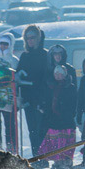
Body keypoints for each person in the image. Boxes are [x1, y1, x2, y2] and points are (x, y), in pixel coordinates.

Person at [16, 25, 51, 155]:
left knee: (42, 129)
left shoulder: (45, 55)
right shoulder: (25, 56)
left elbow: (47, 78)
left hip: (42, 99)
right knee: (32, 130)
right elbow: (18, 74)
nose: (30, 40)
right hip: (27, 99)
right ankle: (36, 156)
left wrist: (42, 99)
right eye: (27, 38)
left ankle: (44, 156)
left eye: (33, 37)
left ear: (38, 38)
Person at [40, 64, 77, 169]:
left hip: (66, 119)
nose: (58, 76)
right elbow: (47, 100)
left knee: (65, 141)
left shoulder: (70, 86)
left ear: (64, 74)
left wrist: (68, 112)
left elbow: (73, 102)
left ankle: (66, 161)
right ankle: (57, 161)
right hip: (54, 118)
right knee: (54, 141)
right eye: (56, 74)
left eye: (60, 73)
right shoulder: (50, 86)